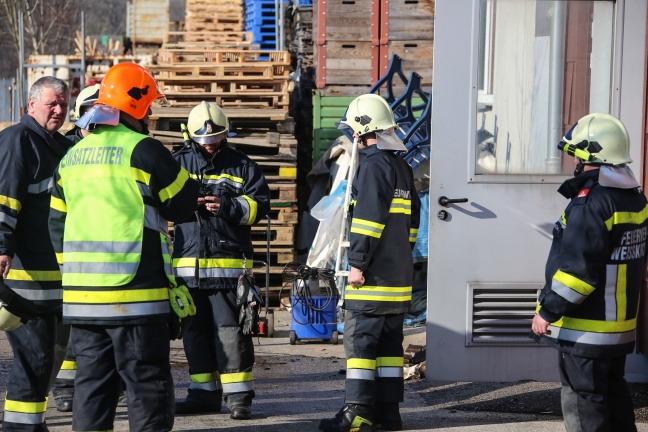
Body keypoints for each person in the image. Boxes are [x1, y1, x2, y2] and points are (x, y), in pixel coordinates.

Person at [48, 62, 200, 431]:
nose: (149, 113)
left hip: (82, 300)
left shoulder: (71, 157)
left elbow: (55, 223)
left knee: (92, 388)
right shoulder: (144, 150)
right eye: (148, 106)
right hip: (134, 297)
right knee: (146, 386)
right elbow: (183, 203)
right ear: (136, 106)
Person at [531, 113, 647, 432]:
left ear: (589, 156)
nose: (573, 162)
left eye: (576, 155)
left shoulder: (591, 202)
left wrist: (547, 312)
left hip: (587, 329)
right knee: (614, 396)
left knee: (585, 402)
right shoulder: (635, 198)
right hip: (619, 328)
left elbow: (578, 273)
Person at [319, 94, 421, 432]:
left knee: (361, 344)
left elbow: (367, 221)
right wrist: (398, 255)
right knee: (390, 348)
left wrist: (358, 264)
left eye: (352, 130)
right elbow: (412, 225)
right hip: (397, 276)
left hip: (372, 278)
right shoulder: (402, 168)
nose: (351, 137)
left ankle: (357, 413)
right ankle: (388, 414)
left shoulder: (374, 166)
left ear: (364, 130)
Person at [172, 101, 271, 420]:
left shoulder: (242, 165)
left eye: (216, 139)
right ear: (191, 136)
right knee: (194, 334)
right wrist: (189, 203)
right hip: (188, 269)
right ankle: (203, 394)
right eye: (205, 141)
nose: (211, 144)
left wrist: (228, 206)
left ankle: (239, 396)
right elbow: (161, 205)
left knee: (232, 332)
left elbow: (261, 207)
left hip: (229, 270)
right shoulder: (176, 164)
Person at [0, 76, 72, 432]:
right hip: (24, 276)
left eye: (63, 103)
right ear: (31, 105)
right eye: (51, 104)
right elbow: (4, 200)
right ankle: (20, 427)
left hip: (52, 276)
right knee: (33, 356)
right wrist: (1, 247)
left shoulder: (57, 145)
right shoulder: (17, 141)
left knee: (49, 356)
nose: (59, 110)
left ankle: (32, 422)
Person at [51, 82, 127, 412]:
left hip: (113, 256)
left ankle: (112, 384)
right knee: (71, 328)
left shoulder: (122, 149)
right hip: (74, 256)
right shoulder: (64, 150)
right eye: (89, 112)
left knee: (110, 327)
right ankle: (66, 386)